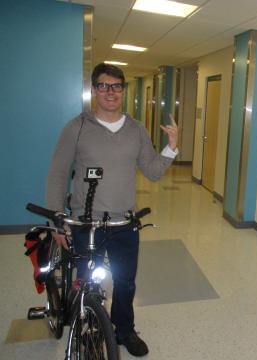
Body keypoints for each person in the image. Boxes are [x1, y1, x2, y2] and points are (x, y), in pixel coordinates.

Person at [46, 63, 179, 356]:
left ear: (123, 91)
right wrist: (57, 221)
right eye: (104, 86)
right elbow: (57, 173)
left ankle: (124, 329)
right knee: (87, 283)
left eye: (116, 86)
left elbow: (153, 172)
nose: (111, 92)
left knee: (125, 282)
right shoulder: (77, 127)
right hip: (85, 224)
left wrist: (171, 147)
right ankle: (89, 322)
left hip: (124, 224)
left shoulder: (136, 129)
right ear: (94, 90)